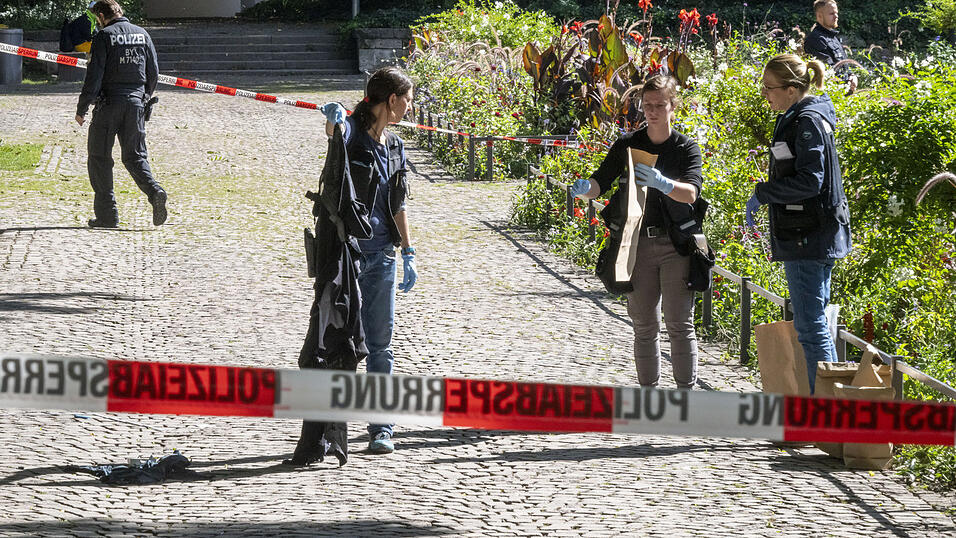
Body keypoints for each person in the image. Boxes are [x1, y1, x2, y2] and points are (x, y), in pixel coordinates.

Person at [571, 75, 703, 390]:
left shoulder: (685, 148)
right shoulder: (627, 144)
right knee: (644, 326)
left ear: (673, 107)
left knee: (679, 324)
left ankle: (686, 395)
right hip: (636, 244)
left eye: (660, 105)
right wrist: (585, 189)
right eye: (647, 105)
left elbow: (691, 193)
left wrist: (664, 183)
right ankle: (649, 395)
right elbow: (600, 182)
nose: (653, 111)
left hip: (676, 245)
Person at [320, 66, 418, 454]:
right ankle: (329, 431)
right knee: (338, 344)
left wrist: (408, 251)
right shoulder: (352, 133)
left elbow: (398, 203)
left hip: (382, 258)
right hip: (347, 256)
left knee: (381, 346)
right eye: (407, 100)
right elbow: (334, 133)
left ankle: (381, 428)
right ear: (391, 100)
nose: (410, 107)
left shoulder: (395, 147)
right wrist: (333, 120)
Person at [746, 54, 852, 393]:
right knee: (814, 324)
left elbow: (811, 181)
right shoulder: (799, 117)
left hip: (808, 236)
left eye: (769, 88)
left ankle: (826, 410)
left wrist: (764, 193)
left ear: (792, 90)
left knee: (811, 327)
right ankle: (827, 405)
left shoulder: (806, 122)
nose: (765, 94)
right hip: (810, 234)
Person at [75, 0, 166, 229]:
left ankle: (107, 215)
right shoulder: (142, 34)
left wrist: (82, 108)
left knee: (99, 158)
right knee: (135, 157)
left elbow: (94, 76)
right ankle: (155, 191)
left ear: (102, 16)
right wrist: (144, 98)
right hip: (135, 105)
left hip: (108, 106)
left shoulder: (104, 36)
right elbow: (153, 73)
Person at [803, 0, 858, 93]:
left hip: (844, 93)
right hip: (831, 95)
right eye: (831, 13)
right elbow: (828, 71)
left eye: (836, 13)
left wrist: (852, 76)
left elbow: (844, 65)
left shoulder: (833, 37)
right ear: (819, 16)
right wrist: (846, 84)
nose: (836, 16)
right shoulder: (815, 39)